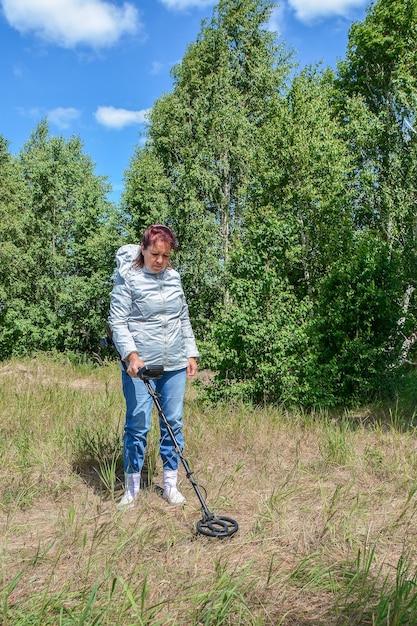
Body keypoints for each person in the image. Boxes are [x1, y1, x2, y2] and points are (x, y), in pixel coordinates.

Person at [108, 224, 199, 511]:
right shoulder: (128, 278)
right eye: (154, 254)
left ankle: (170, 485)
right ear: (143, 249)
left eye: (165, 255)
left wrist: (190, 353)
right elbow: (117, 322)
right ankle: (132, 489)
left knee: (173, 424)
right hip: (140, 367)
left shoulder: (173, 278)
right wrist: (131, 355)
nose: (160, 260)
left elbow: (182, 317)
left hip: (173, 363)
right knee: (138, 425)